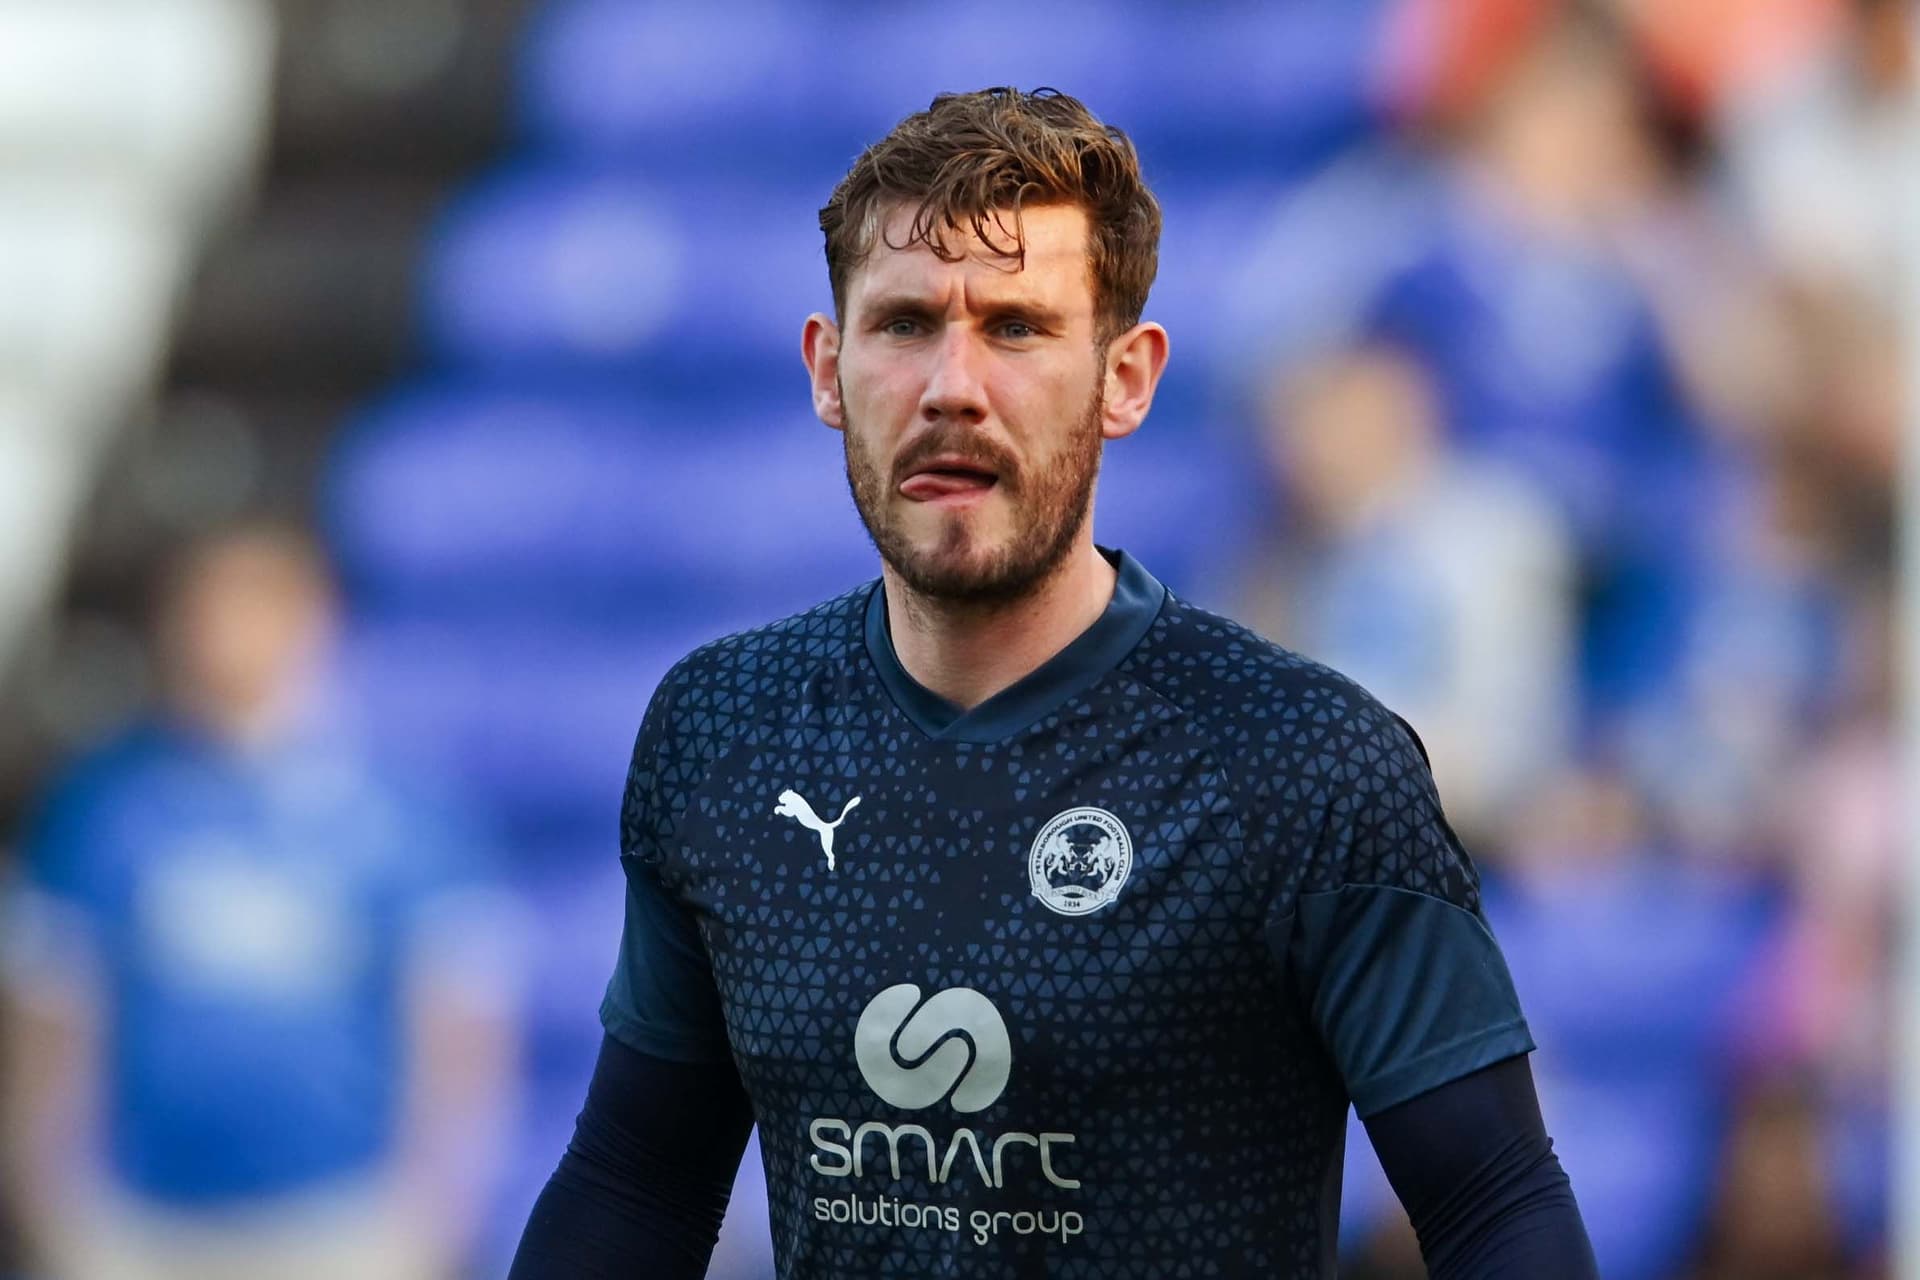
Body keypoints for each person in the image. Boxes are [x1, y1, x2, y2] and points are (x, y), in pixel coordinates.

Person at [510, 88, 1596, 1278]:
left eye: (1017, 327)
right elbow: (632, 1185)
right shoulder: (725, 730)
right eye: (906, 323)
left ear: (1125, 378)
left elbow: (1497, 1207)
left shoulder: (1302, 764)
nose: (952, 386)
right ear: (828, 369)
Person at [0, 520, 519, 1280]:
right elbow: (52, 1018)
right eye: (204, 607)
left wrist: (434, 1210)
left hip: (341, 1224)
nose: (224, 634)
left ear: (315, 620)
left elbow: (459, 1024)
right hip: (140, 1226)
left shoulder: (407, 811)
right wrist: (52, 1201)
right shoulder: (100, 806)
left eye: (255, 605)